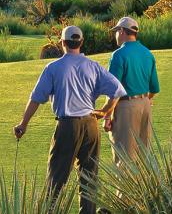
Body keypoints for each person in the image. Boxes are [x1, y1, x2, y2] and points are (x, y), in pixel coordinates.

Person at [13, 25, 126, 214]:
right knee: (89, 177)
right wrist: (105, 111)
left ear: (62, 43)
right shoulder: (93, 66)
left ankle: (51, 211)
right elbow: (117, 90)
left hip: (68, 126)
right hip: (91, 125)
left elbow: (36, 98)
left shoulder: (54, 68)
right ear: (81, 43)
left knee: (57, 175)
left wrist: (23, 124)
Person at [106, 16, 159, 166]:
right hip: (145, 104)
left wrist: (107, 116)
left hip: (126, 107)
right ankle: (142, 190)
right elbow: (154, 87)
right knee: (143, 156)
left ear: (122, 31)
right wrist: (146, 99)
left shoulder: (118, 55)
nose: (115, 34)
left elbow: (113, 90)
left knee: (124, 157)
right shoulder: (147, 53)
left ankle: (124, 191)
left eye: (116, 31)